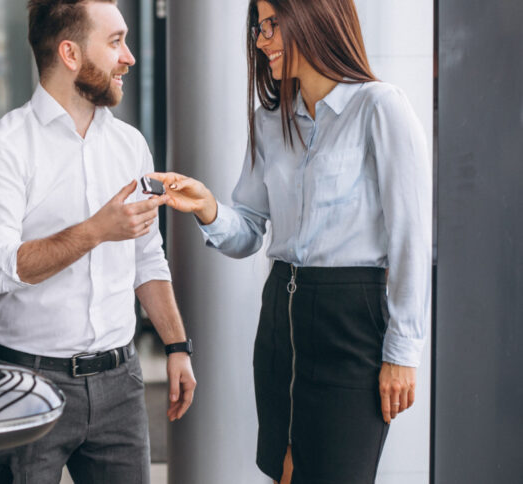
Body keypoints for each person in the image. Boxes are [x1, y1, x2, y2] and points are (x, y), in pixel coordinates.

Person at [148, 0, 430, 483]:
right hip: (281, 316)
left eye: (272, 26)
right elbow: (248, 233)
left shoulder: (380, 108)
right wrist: (208, 207)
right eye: (259, 28)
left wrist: (402, 352)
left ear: (315, 18)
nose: (260, 41)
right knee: (285, 471)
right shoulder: (269, 121)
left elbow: (412, 238)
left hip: (351, 324)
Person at [0, 1, 196, 482]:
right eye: (115, 42)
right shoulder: (2, 150)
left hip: (121, 386)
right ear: (69, 53)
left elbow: (147, 258)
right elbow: (0, 268)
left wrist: (177, 346)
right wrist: (95, 231)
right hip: (27, 384)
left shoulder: (130, 145)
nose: (128, 57)